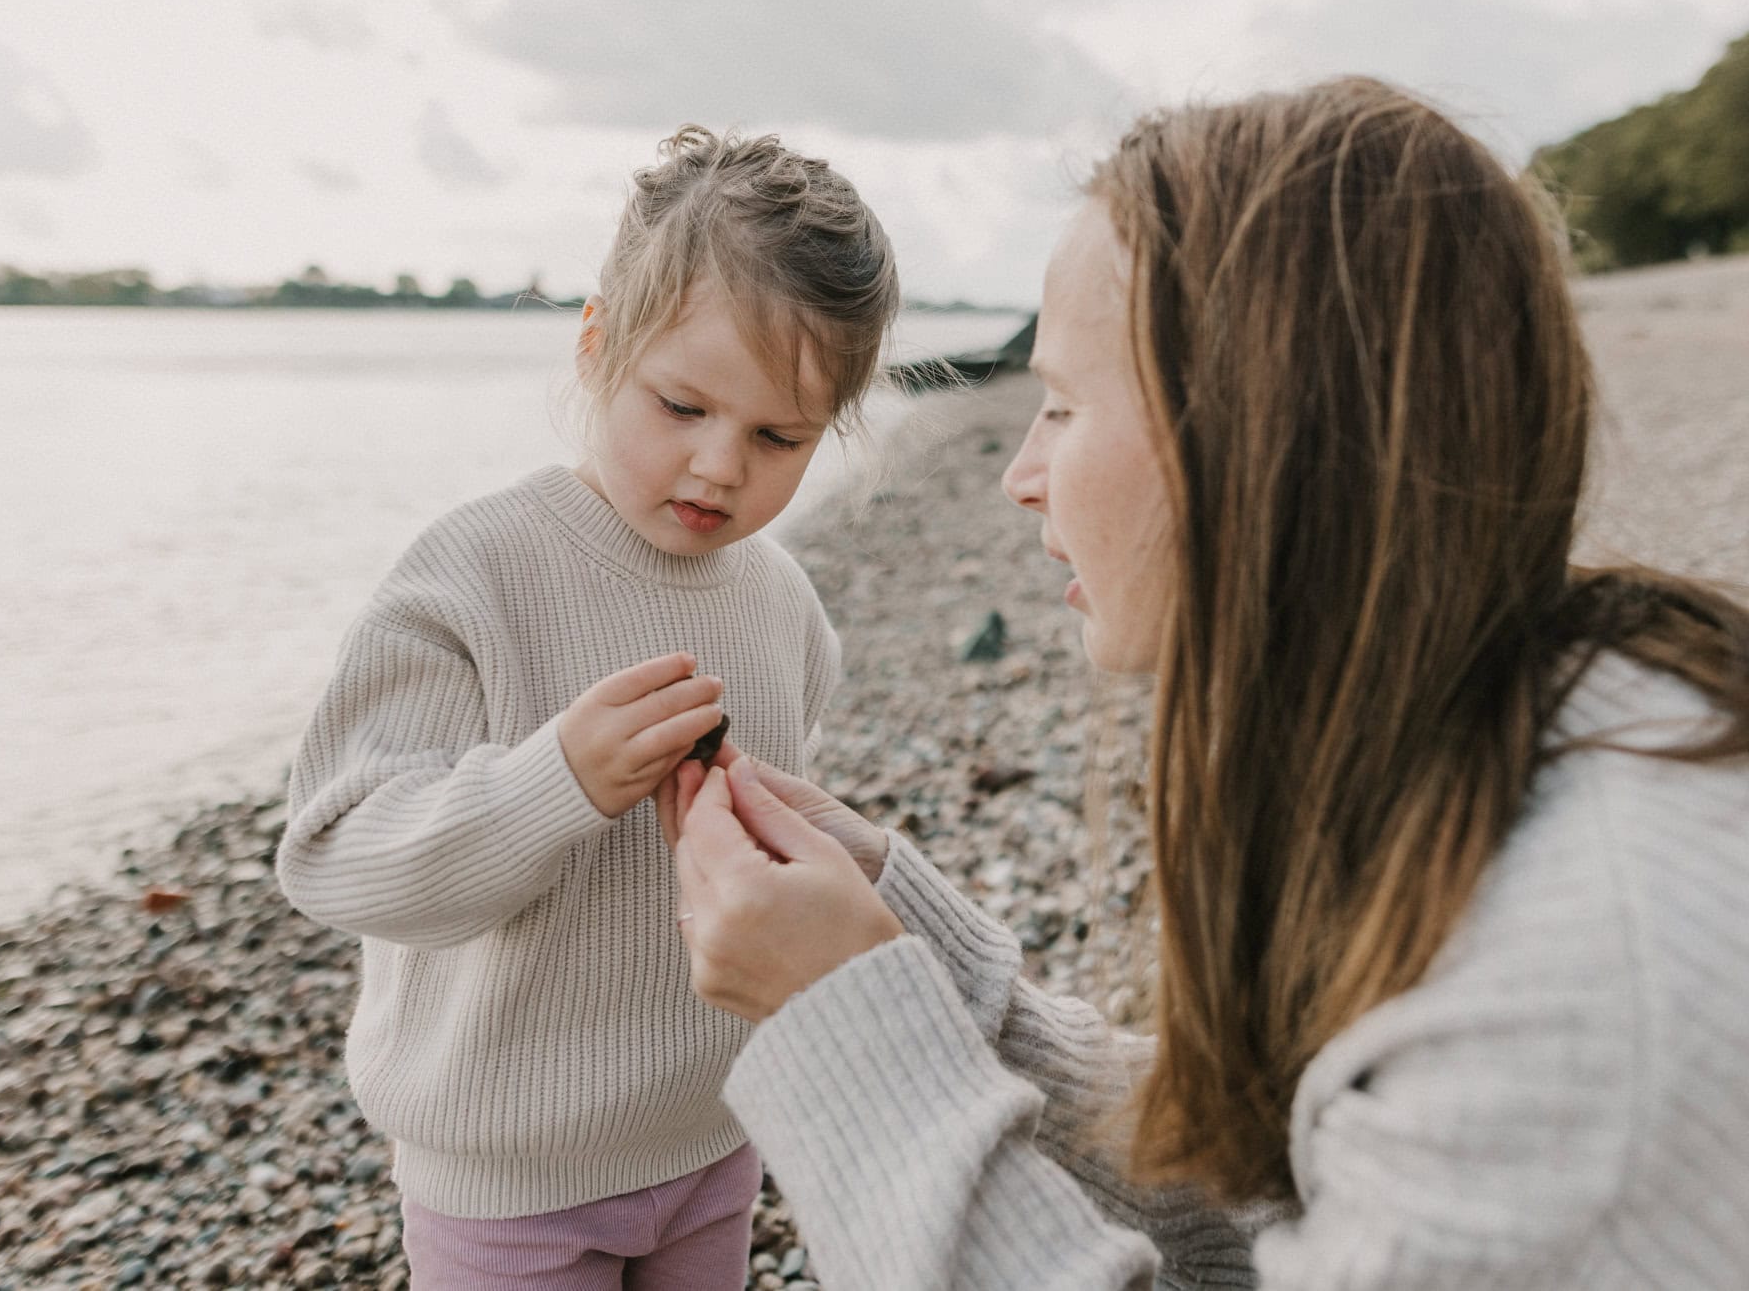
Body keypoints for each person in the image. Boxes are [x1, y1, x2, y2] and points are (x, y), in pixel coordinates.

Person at [660, 78, 1749, 1288]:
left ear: (1259, 435)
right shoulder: (1529, 720)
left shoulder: (1570, 1007)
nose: (1020, 474)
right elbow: (1285, 1174)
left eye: (1063, 406)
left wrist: (850, 1038)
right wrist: (904, 946)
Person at [275, 125, 897, 1289]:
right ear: (597, 344)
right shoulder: (476, 572)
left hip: (715, 1136)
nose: (718, 465)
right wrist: (548, 779)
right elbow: (332, 857)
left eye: (777, 436)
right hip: (507, 1175)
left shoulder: (782, 606)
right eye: (681, 406)